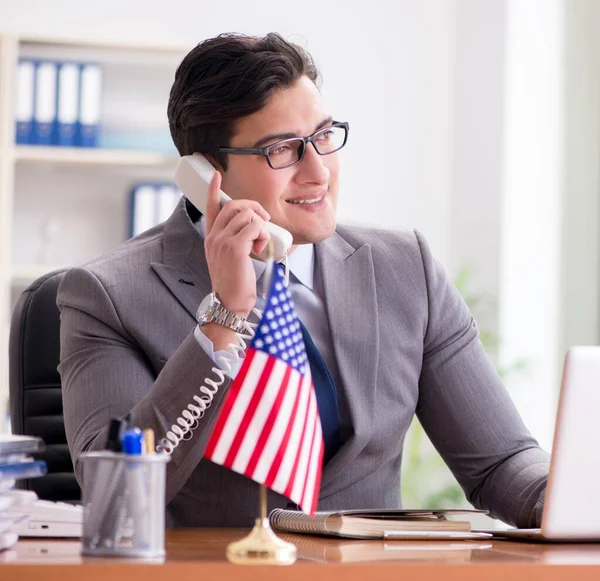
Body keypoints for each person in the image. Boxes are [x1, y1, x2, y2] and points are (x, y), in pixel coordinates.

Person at [57, 32, 549, 528]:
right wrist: (223, 320)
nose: (319, 172)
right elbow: (117, 495)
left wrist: (564, 499)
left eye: (323, 137)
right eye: (283, 150)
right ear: (208, 175)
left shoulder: (406, 269)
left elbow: (502, 463)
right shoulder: (108, 296)